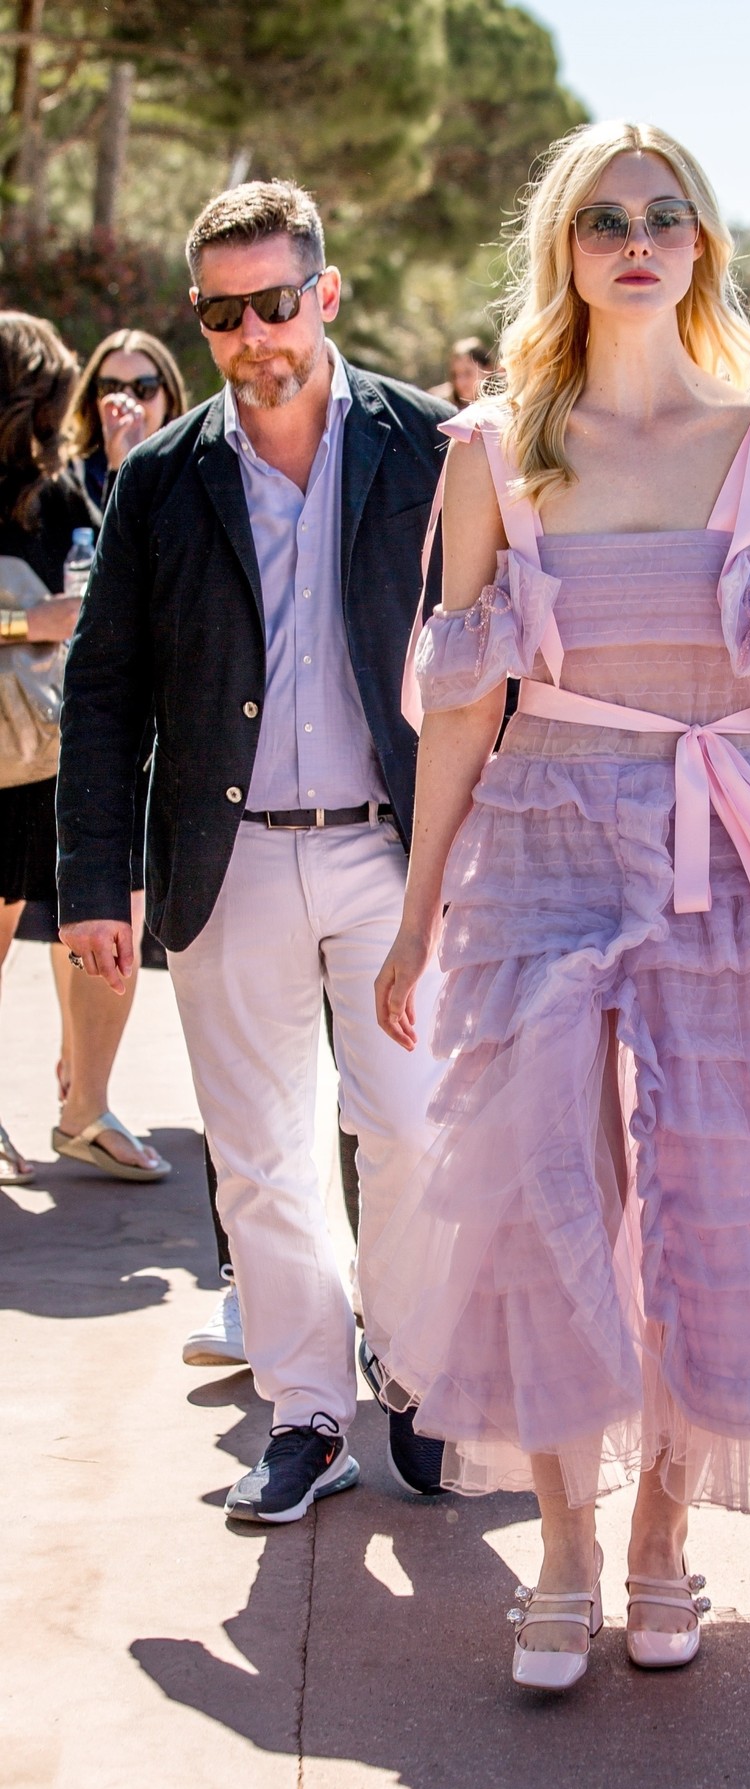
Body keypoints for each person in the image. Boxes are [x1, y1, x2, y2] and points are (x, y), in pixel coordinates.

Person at [369, 120, 750, 1696]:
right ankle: (561, 1549)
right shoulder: (489, 450)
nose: (634, 240)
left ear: (699, 244)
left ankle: (658, 1540)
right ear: (563, 251)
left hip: (728, 845)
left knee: (703, 1202)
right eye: (602, 220)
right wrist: (417, 913)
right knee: (538, 1192)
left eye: (662, 216)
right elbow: (459, 705)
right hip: (540, 840)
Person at [57, 180, 454, 1521]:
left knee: (410, 1131)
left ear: (324, 294)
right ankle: (306, 1412)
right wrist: (93, 882)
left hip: (392, 858)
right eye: (221, 315)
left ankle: (413, 1369)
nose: (252, 336)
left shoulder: (430, 445)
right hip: (222, 865)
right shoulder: (162, 480)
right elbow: (104, 690)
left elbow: (496, 655)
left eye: (275, 303)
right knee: (261, 1156)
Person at [0, 313, 163, 1184]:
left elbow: (114, 579)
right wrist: (25, 622)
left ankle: (83, 1110)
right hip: (12, 744)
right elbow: (50, 614)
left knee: (98, 917)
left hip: (48, 748)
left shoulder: (59, 487)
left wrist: (128, 467)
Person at [66, 329, 189, 509]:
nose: (127, 400)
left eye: (144, 387)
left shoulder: (195, 472)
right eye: (110, 387)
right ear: (93, 400)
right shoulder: (70, 477)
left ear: (169, 398)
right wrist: (119, 468)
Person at [429, 336, 493, 410]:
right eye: (455, 375)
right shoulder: (443, 405)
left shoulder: (501, 408)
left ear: (488, 370)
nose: (459, 382)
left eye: (467, 373)